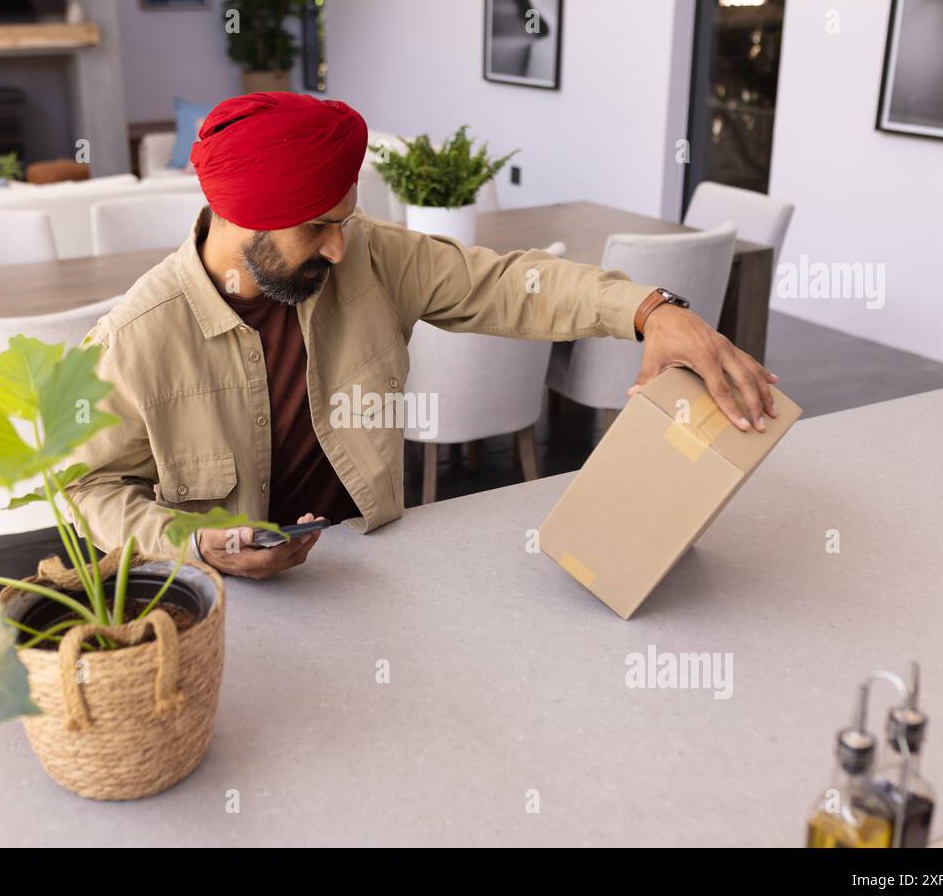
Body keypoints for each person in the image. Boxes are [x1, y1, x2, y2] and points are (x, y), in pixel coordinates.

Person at [68, 92, 778, 579]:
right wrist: (193, 544)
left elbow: (507, 284)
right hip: (228, 605)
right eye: (316, 227)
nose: (339, 249)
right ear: (243, 223)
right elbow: (88, 485)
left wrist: (653, 310)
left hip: (375, 568)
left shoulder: (368, 253)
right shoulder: (135, 339)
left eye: (342, 220)